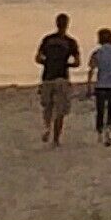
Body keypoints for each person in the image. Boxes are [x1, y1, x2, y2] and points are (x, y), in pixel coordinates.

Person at [34, 13, 80, 145]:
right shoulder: (71, 42)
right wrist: (66, 64)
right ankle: (56, 139)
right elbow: (77, 62)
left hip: (47, 76)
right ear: (67, 24)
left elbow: (37, 58)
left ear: (56, 23)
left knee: (47, 106)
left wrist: (47, 62)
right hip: (62, 77)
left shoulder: (47, 39)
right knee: (60, 109)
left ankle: (47, 127)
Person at [87, 28, 111, 145]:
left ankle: (100, 132)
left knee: (100, 110)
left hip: (101, 85)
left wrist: (89, 85)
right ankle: (109, 128)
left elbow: (91, 69)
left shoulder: (97, 52)